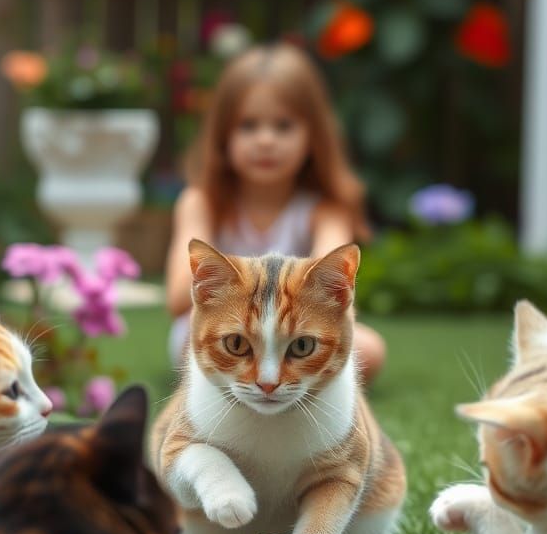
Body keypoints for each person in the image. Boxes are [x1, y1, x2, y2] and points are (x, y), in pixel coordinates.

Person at [164, 42, 386, 383]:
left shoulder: (325, 210)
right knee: (195, 345)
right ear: (223, 135)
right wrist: (228, 285)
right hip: (225, 334)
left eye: (283, 126)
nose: (266, 140)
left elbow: (334, 295)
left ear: (314, 136)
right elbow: (179, 299)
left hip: (294, 339)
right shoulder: (201, 202)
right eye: (249, 126)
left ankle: (280, 382)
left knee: (369, 350)